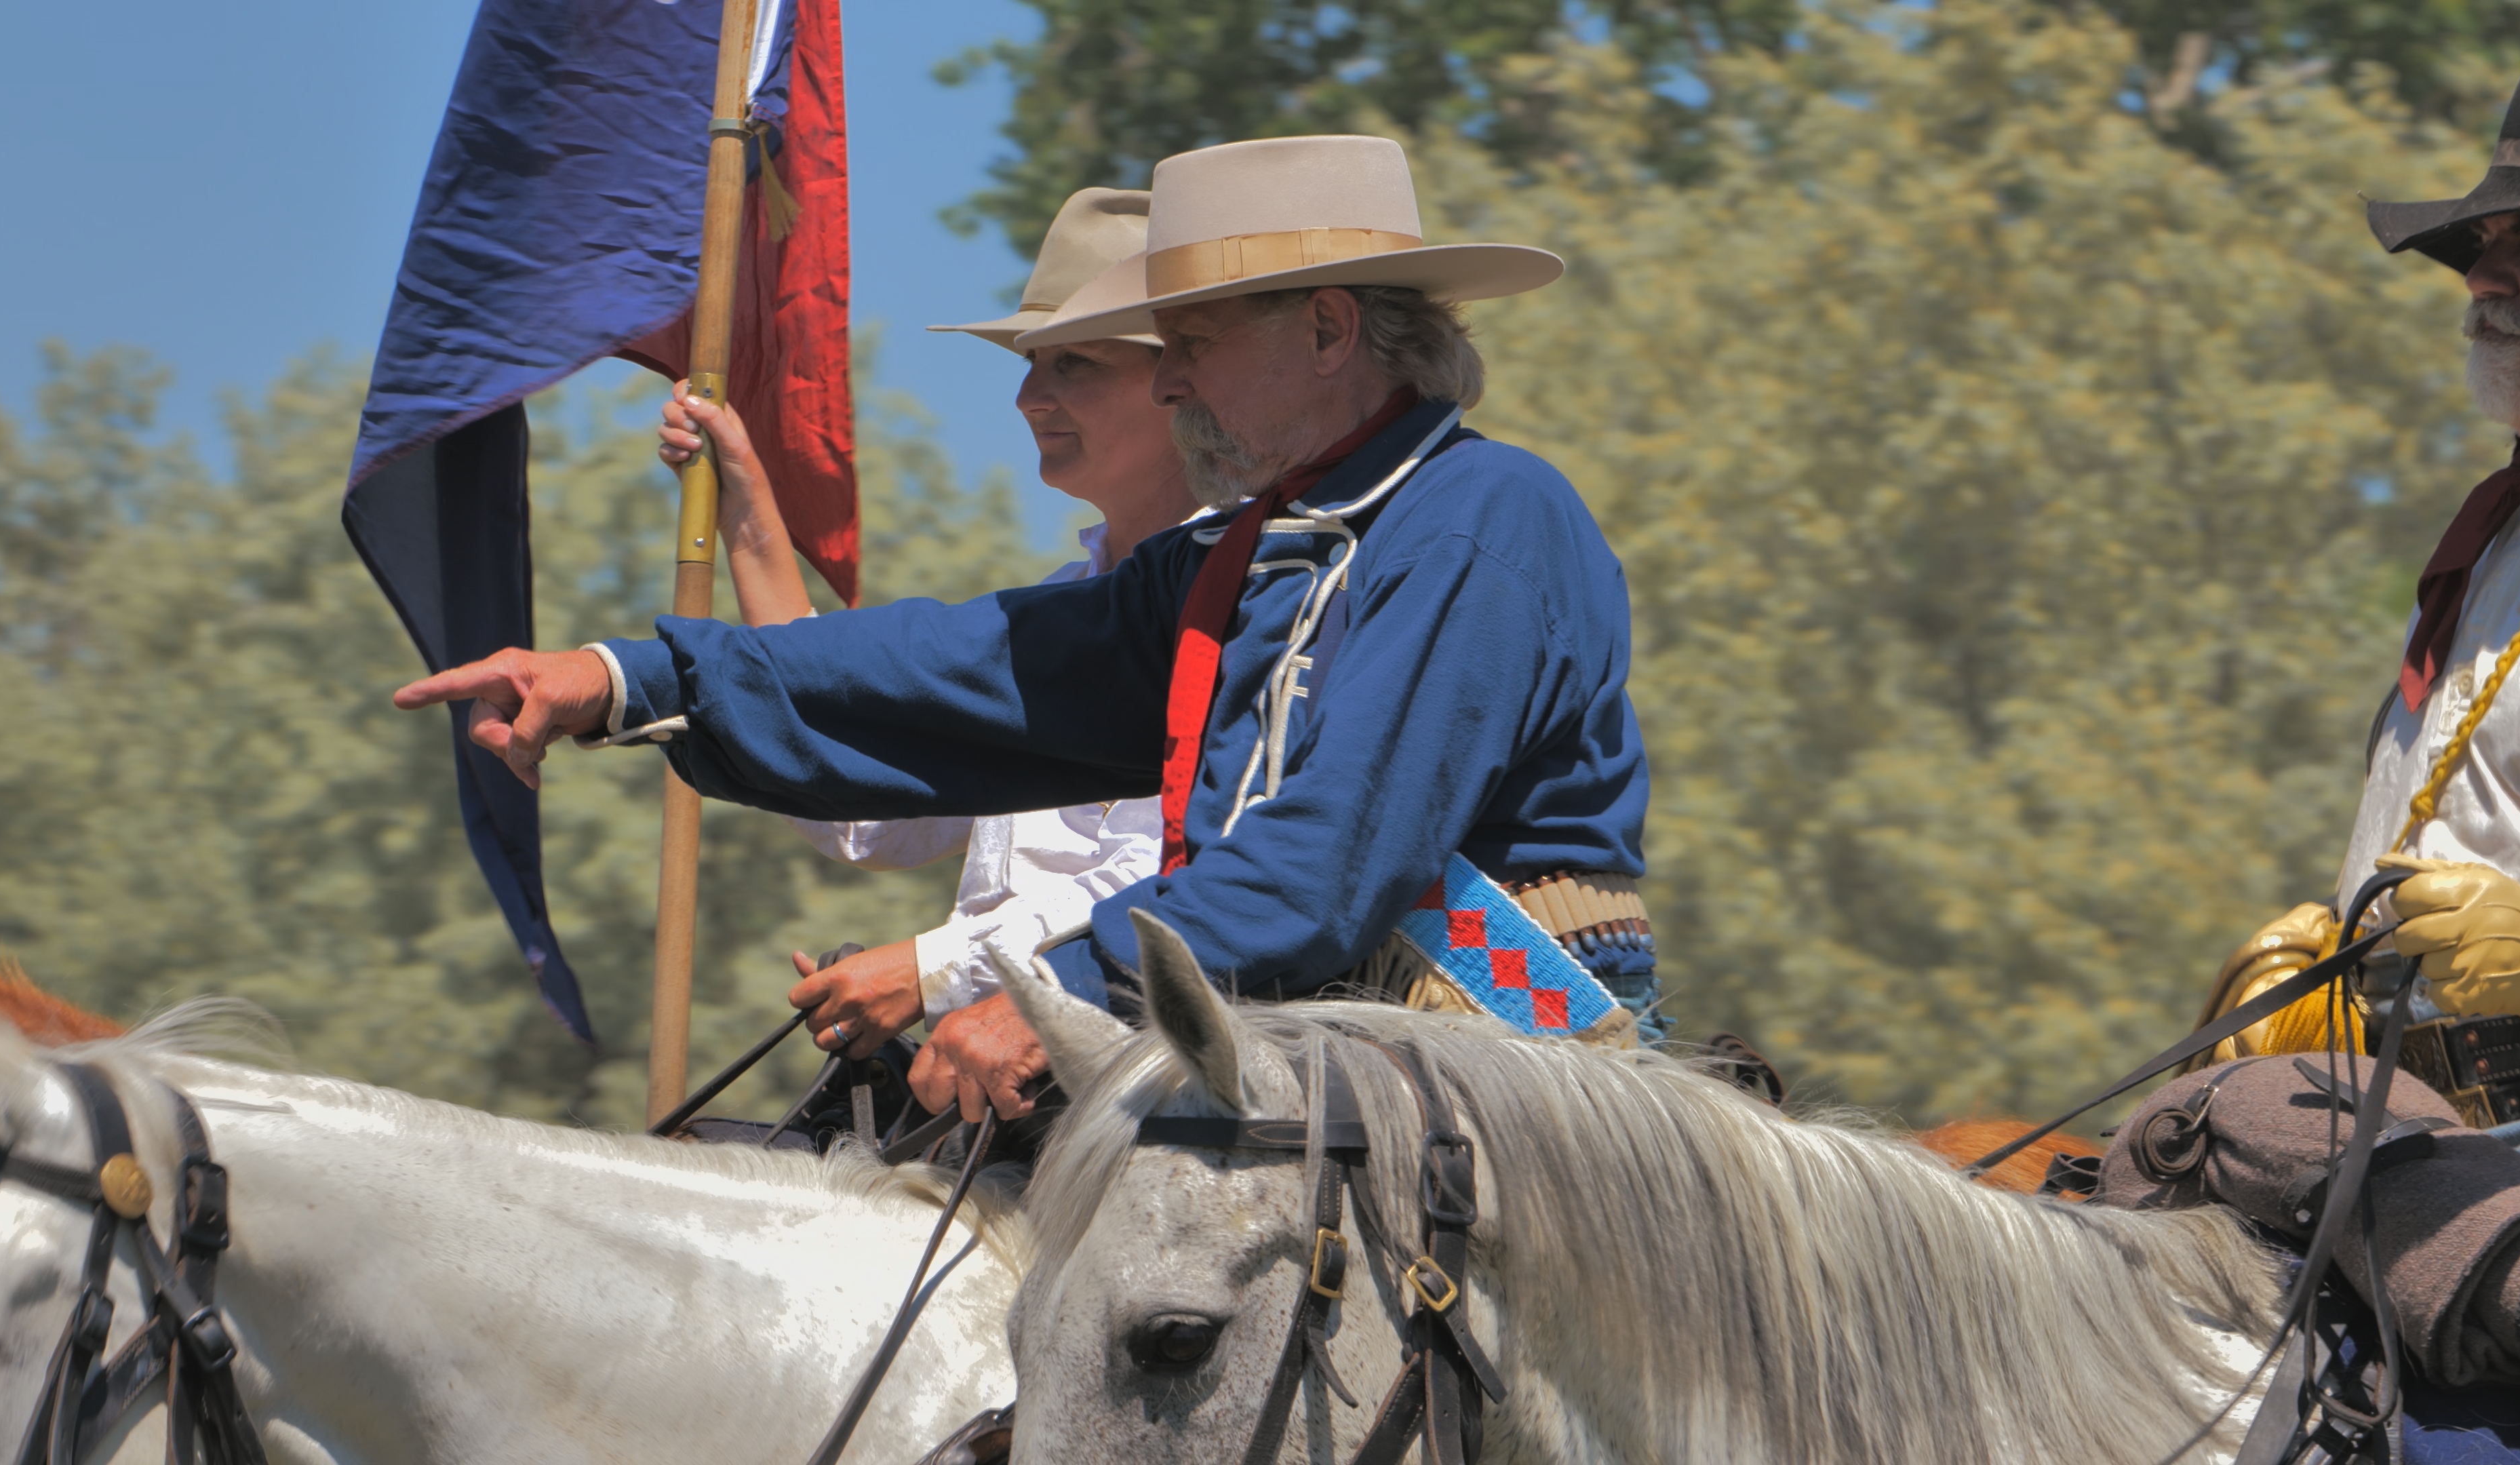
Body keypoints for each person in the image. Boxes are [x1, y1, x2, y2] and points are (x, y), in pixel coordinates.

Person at [395, 134, 1659, 1124]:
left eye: (1196, 343)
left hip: (1503, 1082)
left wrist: (1045, 996)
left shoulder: (1480, 520)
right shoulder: (1238, 558)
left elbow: (1327, 865)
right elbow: (957, 670)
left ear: (1330, 330)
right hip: (1309, 1059)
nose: (1171, 380)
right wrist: (624, 678)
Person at [2101, 75, 2520, 1401]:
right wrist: (2318, 977)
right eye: (2488, 254)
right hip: (2434, 1139)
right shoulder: (2494, 542)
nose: (2493, 281)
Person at [649, 189, 1187, 1125]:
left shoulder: (1260, 605)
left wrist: (927, 971)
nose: (1029, 398)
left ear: (1183, 383)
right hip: (1019, 1093)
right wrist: (749, 508)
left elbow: (1170, 886)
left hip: (1168, 1105)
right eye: (1031, 364)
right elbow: (867, 810)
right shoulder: (1059, 610)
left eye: (1075, 364)